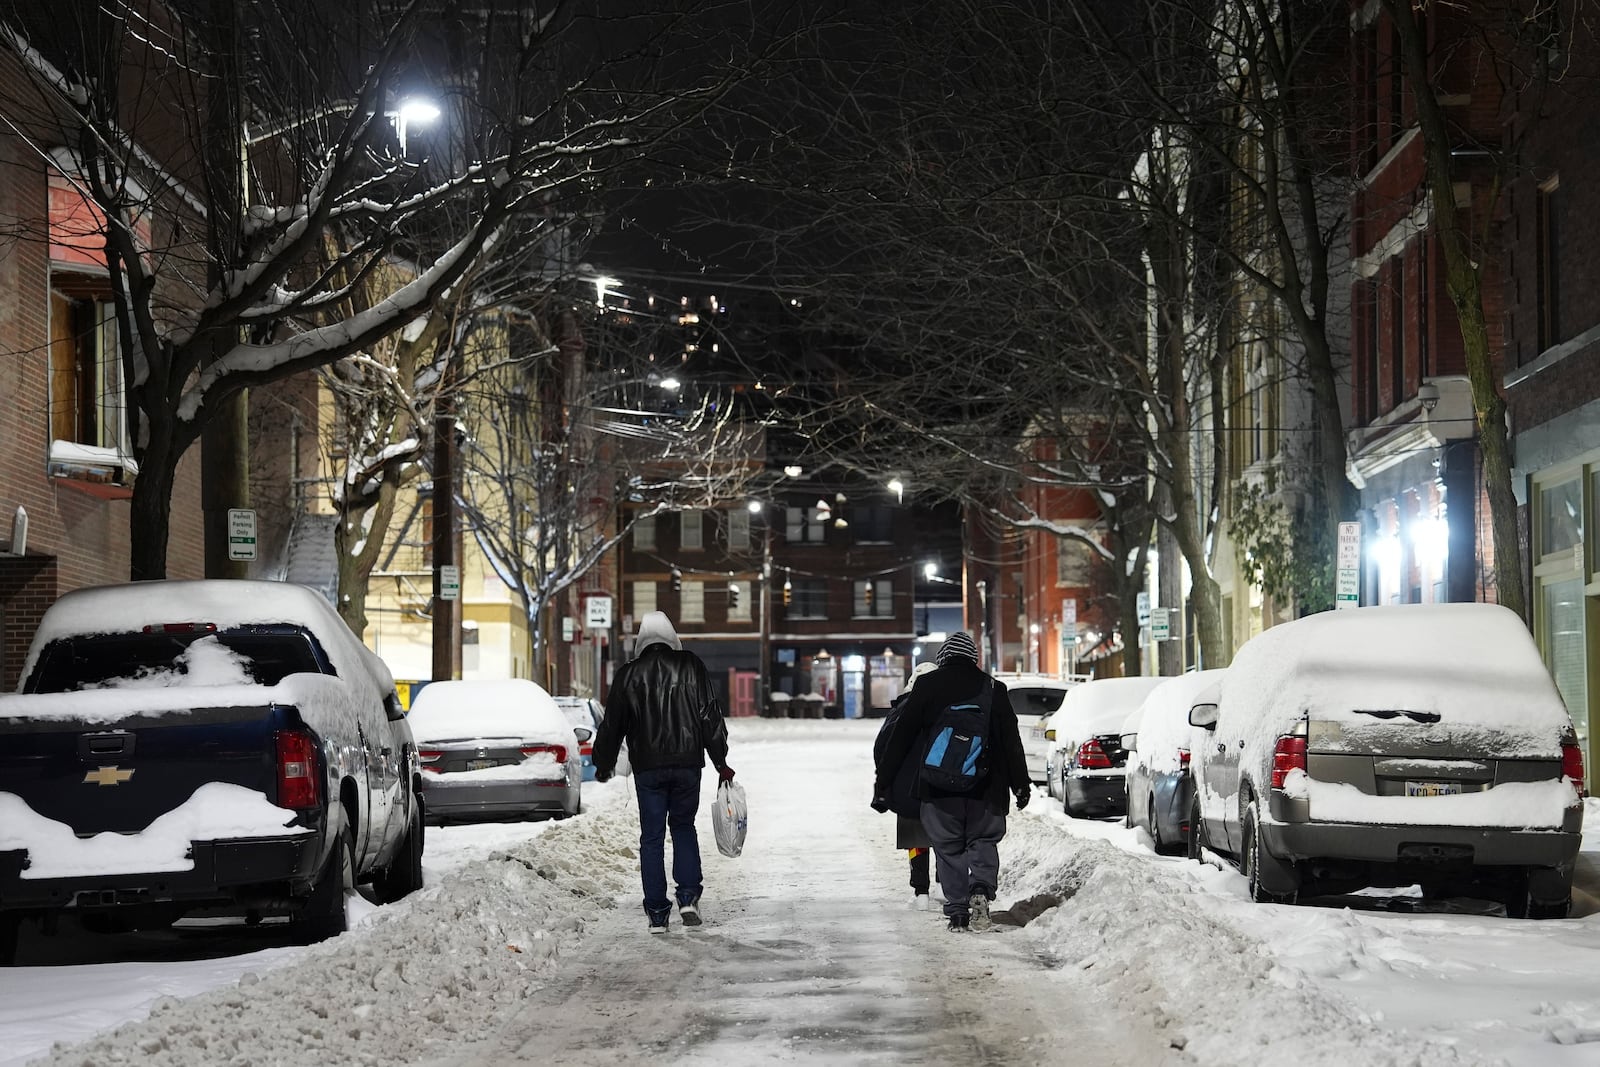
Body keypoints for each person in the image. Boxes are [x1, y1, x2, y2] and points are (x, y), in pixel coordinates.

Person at [872, 631, 1028, 932]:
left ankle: (957, 911)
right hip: (986, 786)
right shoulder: (995, 688)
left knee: (949, 847)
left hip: (938, 786)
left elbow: (901, 738)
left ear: (943, 658)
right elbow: (1011, 742)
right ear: (973, 657)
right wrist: (1020, 785)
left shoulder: (928, 686)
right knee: (982, 840)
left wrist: (884, 783)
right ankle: (981, 889)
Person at [593, 611, 733, 934]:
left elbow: (612, 725)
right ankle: (687, 896)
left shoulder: (628, 675)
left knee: (652, 837)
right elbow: (710, 717)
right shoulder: (692, 666)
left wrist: (603, 763)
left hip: (648, 770)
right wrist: (720, 761)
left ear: (642, 641)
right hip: (687, 765)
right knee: (683, 827)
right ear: (672, 638)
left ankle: (657, 912)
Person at [873, 661, 940, 907]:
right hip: (942, 787)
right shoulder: (946, 709)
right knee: (945, 836)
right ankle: (943, 884)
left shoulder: (901, 710)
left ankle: (921, 891)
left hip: (907, 790)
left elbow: (882, 749)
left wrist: (885, 781)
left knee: (917, 840)